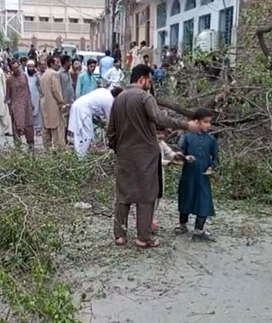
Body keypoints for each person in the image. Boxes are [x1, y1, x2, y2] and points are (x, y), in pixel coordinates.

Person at [107, 64, 200, 248]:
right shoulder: (145, 97)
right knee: (146, 196)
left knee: (123, 195)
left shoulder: (118, 99)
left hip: (125, 154)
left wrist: (118, 148)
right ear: (142, 79)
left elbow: (111, 131)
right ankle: (143, 237)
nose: (150, 84)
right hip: (146, 156)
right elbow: (160, 119)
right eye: (149, 80)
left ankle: (120, 236)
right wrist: (186, 125)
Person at [176, 108, 218, 242]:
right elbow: (178, 153)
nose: (208, 125)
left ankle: (199, 230)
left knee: (204, 201)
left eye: (209, 122)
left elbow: (215, 158)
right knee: (186, 197)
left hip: (203, 176)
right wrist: (184, 157)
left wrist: (211, 167)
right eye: (205, 122)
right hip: (188, 175)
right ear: (197, 121)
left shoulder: (211, 139)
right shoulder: (187, 137)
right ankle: (182, 224)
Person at [68, 87, 122, 158]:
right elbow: (110, 121)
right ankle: (81, 157)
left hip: (79, 106)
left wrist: (100, 121)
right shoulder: (110, 100)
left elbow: (96, 106)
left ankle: (80, 155)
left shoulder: (104, 91)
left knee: (80, 134)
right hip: (82, 110)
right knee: (86, 135)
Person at [6, 60, 35, 148]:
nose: (16, 69)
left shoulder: (24, 76)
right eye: (14, 68)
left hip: (26, 105)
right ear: (11, 70)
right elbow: (7, 96)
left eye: (17, 67)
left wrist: (31, 103)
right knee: (17, 128)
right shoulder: (9, 80)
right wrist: (10, 109)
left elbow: (28, 90)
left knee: (29, 126)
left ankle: (31, 146)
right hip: (16, 107)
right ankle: (18, 148)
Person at [40, 55, 66, 148]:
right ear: (51, 64)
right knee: (57, 130)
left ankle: (47, 149)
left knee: (46, 128)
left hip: (44, 104)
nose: (59, 65)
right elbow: (56, 90)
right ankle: (58, 151)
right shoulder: (54, 74)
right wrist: (61, 102)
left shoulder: (44, 74)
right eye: (57, 63)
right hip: (54, 105)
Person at [26, 60, 43, 136]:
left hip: (36, 96)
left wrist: (37, 74)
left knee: (37, 112)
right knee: (28, 113)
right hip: (27, 96)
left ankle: (37, 128)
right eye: (29, 66)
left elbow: (40, 84)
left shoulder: (36, 75)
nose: (31, 68)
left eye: (32, 66)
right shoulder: (24, 75)